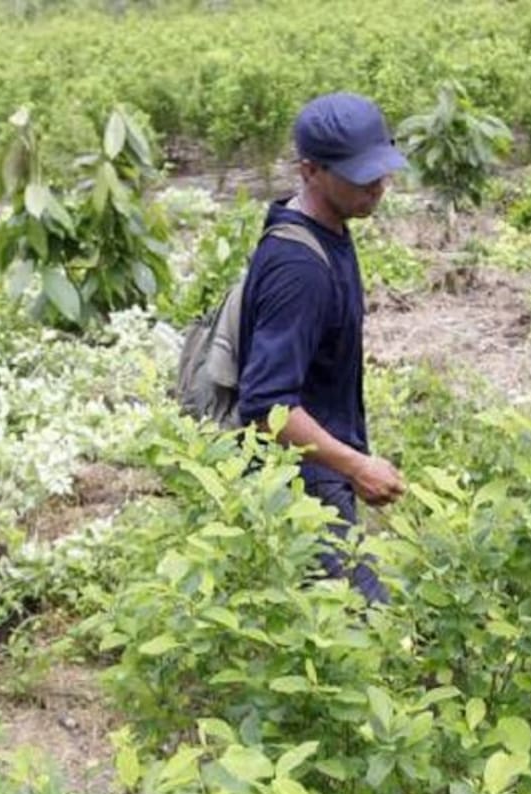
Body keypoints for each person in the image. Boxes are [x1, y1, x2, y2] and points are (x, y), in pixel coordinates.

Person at [236, 92, 407, 603]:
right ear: (310, 171)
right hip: (302, 479)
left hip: (321, 468)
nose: (378, 186)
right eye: (360, 176)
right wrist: (355, 466)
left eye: (381, 171)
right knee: (363, 623)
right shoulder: (300, 268)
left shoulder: (328, 228)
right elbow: (267, 405)